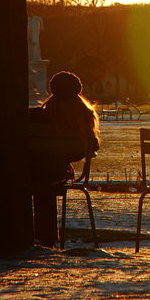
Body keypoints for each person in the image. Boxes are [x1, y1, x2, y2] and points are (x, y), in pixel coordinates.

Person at [30, 71, 100, 247]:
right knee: (46, 179)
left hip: (42, 172)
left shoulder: (43, 116)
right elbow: (93, 146)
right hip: (60, 172)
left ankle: (43, 237)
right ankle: (47, 239)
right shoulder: (85, 115)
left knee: (41, 183)